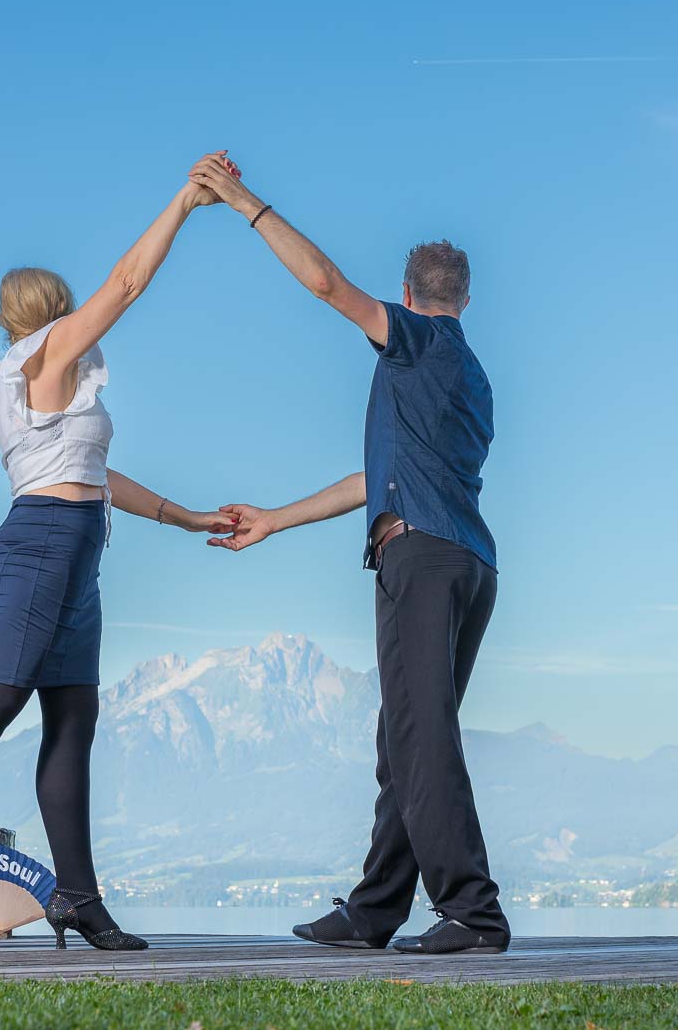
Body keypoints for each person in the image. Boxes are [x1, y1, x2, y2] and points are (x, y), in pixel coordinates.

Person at [0, 175, 235, 951]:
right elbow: (130, 281)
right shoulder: (45, 353)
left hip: (72, 544)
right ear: (53, 310)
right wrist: (184, 202)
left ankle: (76, 896)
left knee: (73, 718)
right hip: (42, 544)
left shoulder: (51, 381)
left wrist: (188, 516)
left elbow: (99, 476)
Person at [188, 152, 511, 955]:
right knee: (403, 737)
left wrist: (243, 201)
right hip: (468, 564)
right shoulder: (471, 377)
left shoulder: (415, 346)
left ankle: (474, 911)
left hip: (424, 560)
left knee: (422, 734)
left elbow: (328, 284)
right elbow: (377, 481)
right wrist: (277, 518)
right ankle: (374, 910)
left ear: (408, 299)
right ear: (465, 298)